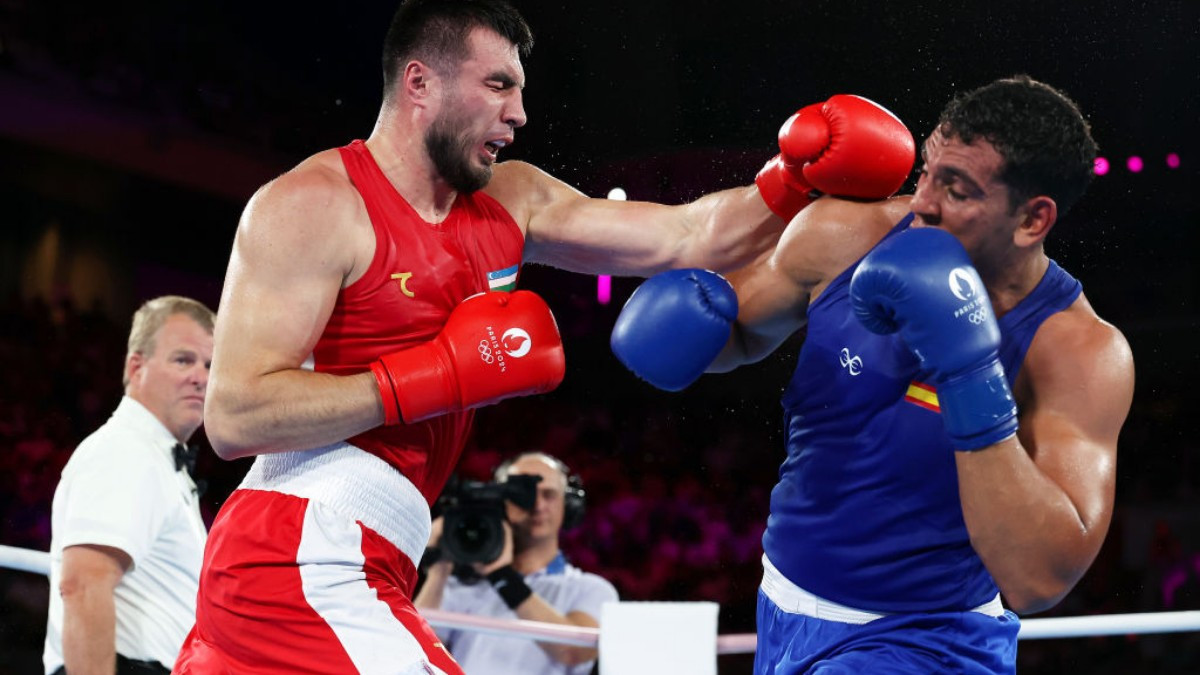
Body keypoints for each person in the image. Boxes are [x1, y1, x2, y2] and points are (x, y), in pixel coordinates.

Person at [174, 0, 915, 672]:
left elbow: (683, 235)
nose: (520, 112)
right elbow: (235, 416)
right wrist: (436, 375)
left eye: (520, 90)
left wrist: (789, 177)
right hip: (296, 548)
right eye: (499, 85)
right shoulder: (313, 204)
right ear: (419, 82)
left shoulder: (511, 197)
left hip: (369, 553)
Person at [612, 75, 1136, 673]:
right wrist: (689, 323)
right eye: (928, 173)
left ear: (1031, 220)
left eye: (957, 189)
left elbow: (1041, 578)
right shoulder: (844, 236)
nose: (923, 204)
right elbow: (740, 336)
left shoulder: (1077, 352)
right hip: (782, 605)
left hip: (929, 641)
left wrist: (969, 372)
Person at [43, 296, 214, 675]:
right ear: (137, 367)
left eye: (209, 365)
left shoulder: (158, 459)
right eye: (183, 360)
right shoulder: (125, 450)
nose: (201, 377)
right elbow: (84, 583)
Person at [415, 452, 617, 674]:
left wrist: (501, 575)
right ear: (502, 501)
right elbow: (414, 653)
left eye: (548, 494)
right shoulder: (461, 587)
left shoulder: (591, 590)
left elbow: (572, 652)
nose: (537, 505)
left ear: (567, 505)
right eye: (523, 495)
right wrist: (438, 573)